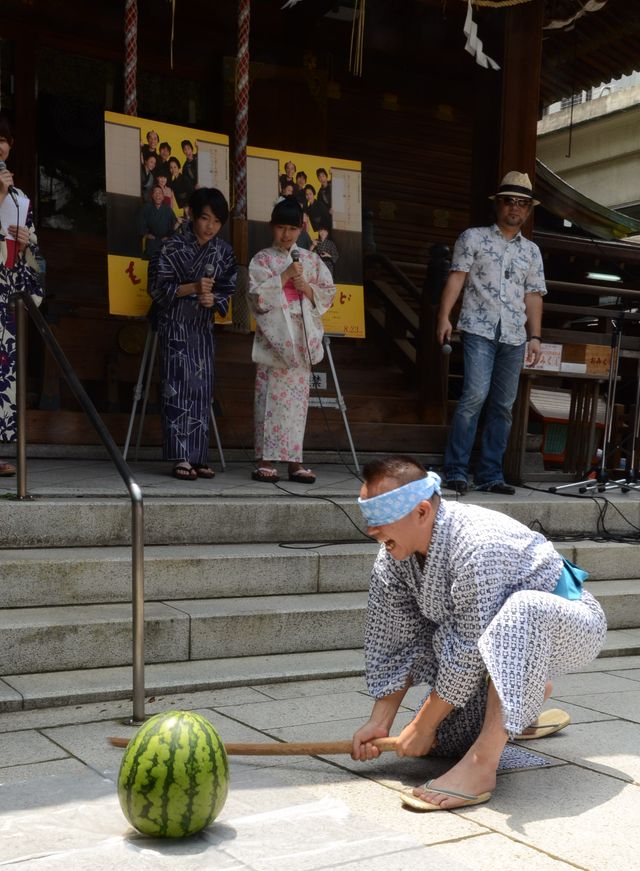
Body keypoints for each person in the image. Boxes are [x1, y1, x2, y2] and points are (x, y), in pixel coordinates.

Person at [351, 456, 606, 812]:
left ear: (422, 512)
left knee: (522, 610)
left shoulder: (477, 543)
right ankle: (525, 704)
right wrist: (380, 723)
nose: (372, 531)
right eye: (368, 521)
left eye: (379, 521)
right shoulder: (392, 557)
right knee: (444, 741)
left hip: (569, 625)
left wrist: (423, 723)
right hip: (497, 642)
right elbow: (395, 639)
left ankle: (481, 766)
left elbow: (467, 648)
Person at [437, 171, 546, 496]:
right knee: (473, 397)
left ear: (528, 211)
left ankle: (490, 473)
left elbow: (534, 295)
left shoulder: (532, 251)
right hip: (478, 327)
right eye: (509, 202)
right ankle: (455, 470)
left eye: (522, 204)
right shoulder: (473, 237)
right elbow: (456, 278)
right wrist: (444, 316)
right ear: (498, 205)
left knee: (503, 406)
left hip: (514, 335)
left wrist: (535, 336)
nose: (515, 209)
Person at [148, 187, 237, 480]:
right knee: (177, 386)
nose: (210, 227)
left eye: (216, 222)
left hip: (202, 328)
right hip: (175, 323)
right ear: (191, 214)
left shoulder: (223, 251)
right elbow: (158, 289)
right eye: (205, 219)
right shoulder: (170, 246)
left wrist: (215, 301)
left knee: (201, 390)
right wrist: (195, 288)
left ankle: (198, 455)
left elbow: (227, 288)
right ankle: (180, 456)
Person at [248, 198, 335, 484]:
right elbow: (258, 299)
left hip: (300, 339)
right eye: (281, 228)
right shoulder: (262, 259)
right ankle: (265, 459)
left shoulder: (311, 260)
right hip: (275, 340)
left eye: (292, 229)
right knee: (268, 401)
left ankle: (295, 462)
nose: (286, 235)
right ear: (272, 227)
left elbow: (327, 294)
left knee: (298, 404)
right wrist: (285, 276)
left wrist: (306, 288)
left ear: (301, 229)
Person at [0, 114, 44, 477]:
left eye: (3, 139)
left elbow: (34, 255)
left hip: (5, 290)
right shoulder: (6, 193)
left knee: (3, 372)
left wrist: (29, 241)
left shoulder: (20, 198)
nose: (0, 146)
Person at [138, 185, 177, 261]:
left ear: (163, 196)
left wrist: (168, 236)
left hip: (165, 240)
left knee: (166, 259)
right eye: (155, 193)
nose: (158, 195)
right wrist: (146, 234)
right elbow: (140, 223)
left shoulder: (168, 209)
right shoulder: (146, 208)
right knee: (151, 259)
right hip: (152, 241)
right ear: (152, 196)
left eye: (160, 193)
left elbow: (174, 224)